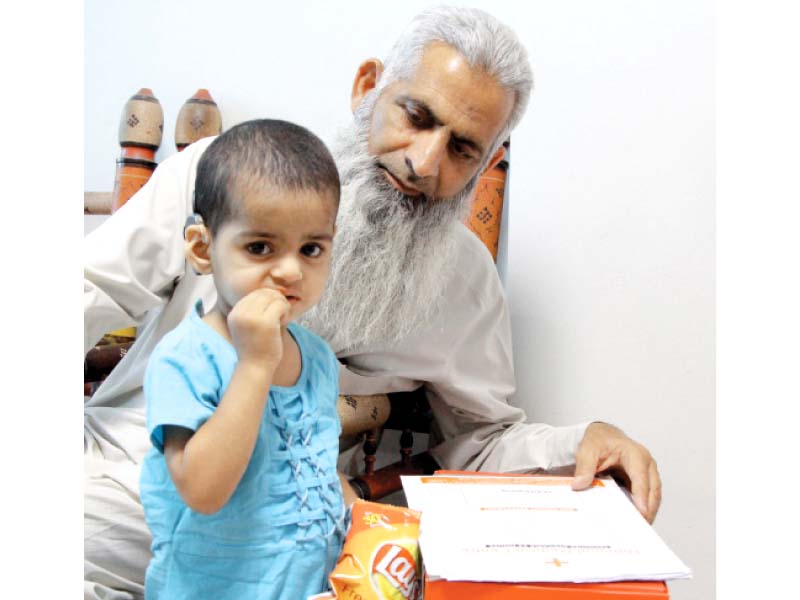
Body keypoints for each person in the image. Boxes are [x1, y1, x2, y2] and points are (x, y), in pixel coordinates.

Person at [84, 7, 661, 599]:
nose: (424, 163)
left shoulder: (465, 282)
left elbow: (480, 440)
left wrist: (581, 441)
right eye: (415, 116)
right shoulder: (221, 173)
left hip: (294, 549)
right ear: (369, 88)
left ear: (485, 162)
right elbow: (83, 294)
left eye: (462, 149)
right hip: (123, 490)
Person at [139, 118, 354, 599]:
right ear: (202, 248)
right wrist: (255, 364)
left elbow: (310, 462)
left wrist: (360, 519)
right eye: (260, 247)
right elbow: (202, 489)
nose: (290, 270)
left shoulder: (316, 357)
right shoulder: (185, 357)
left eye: (312, 248)